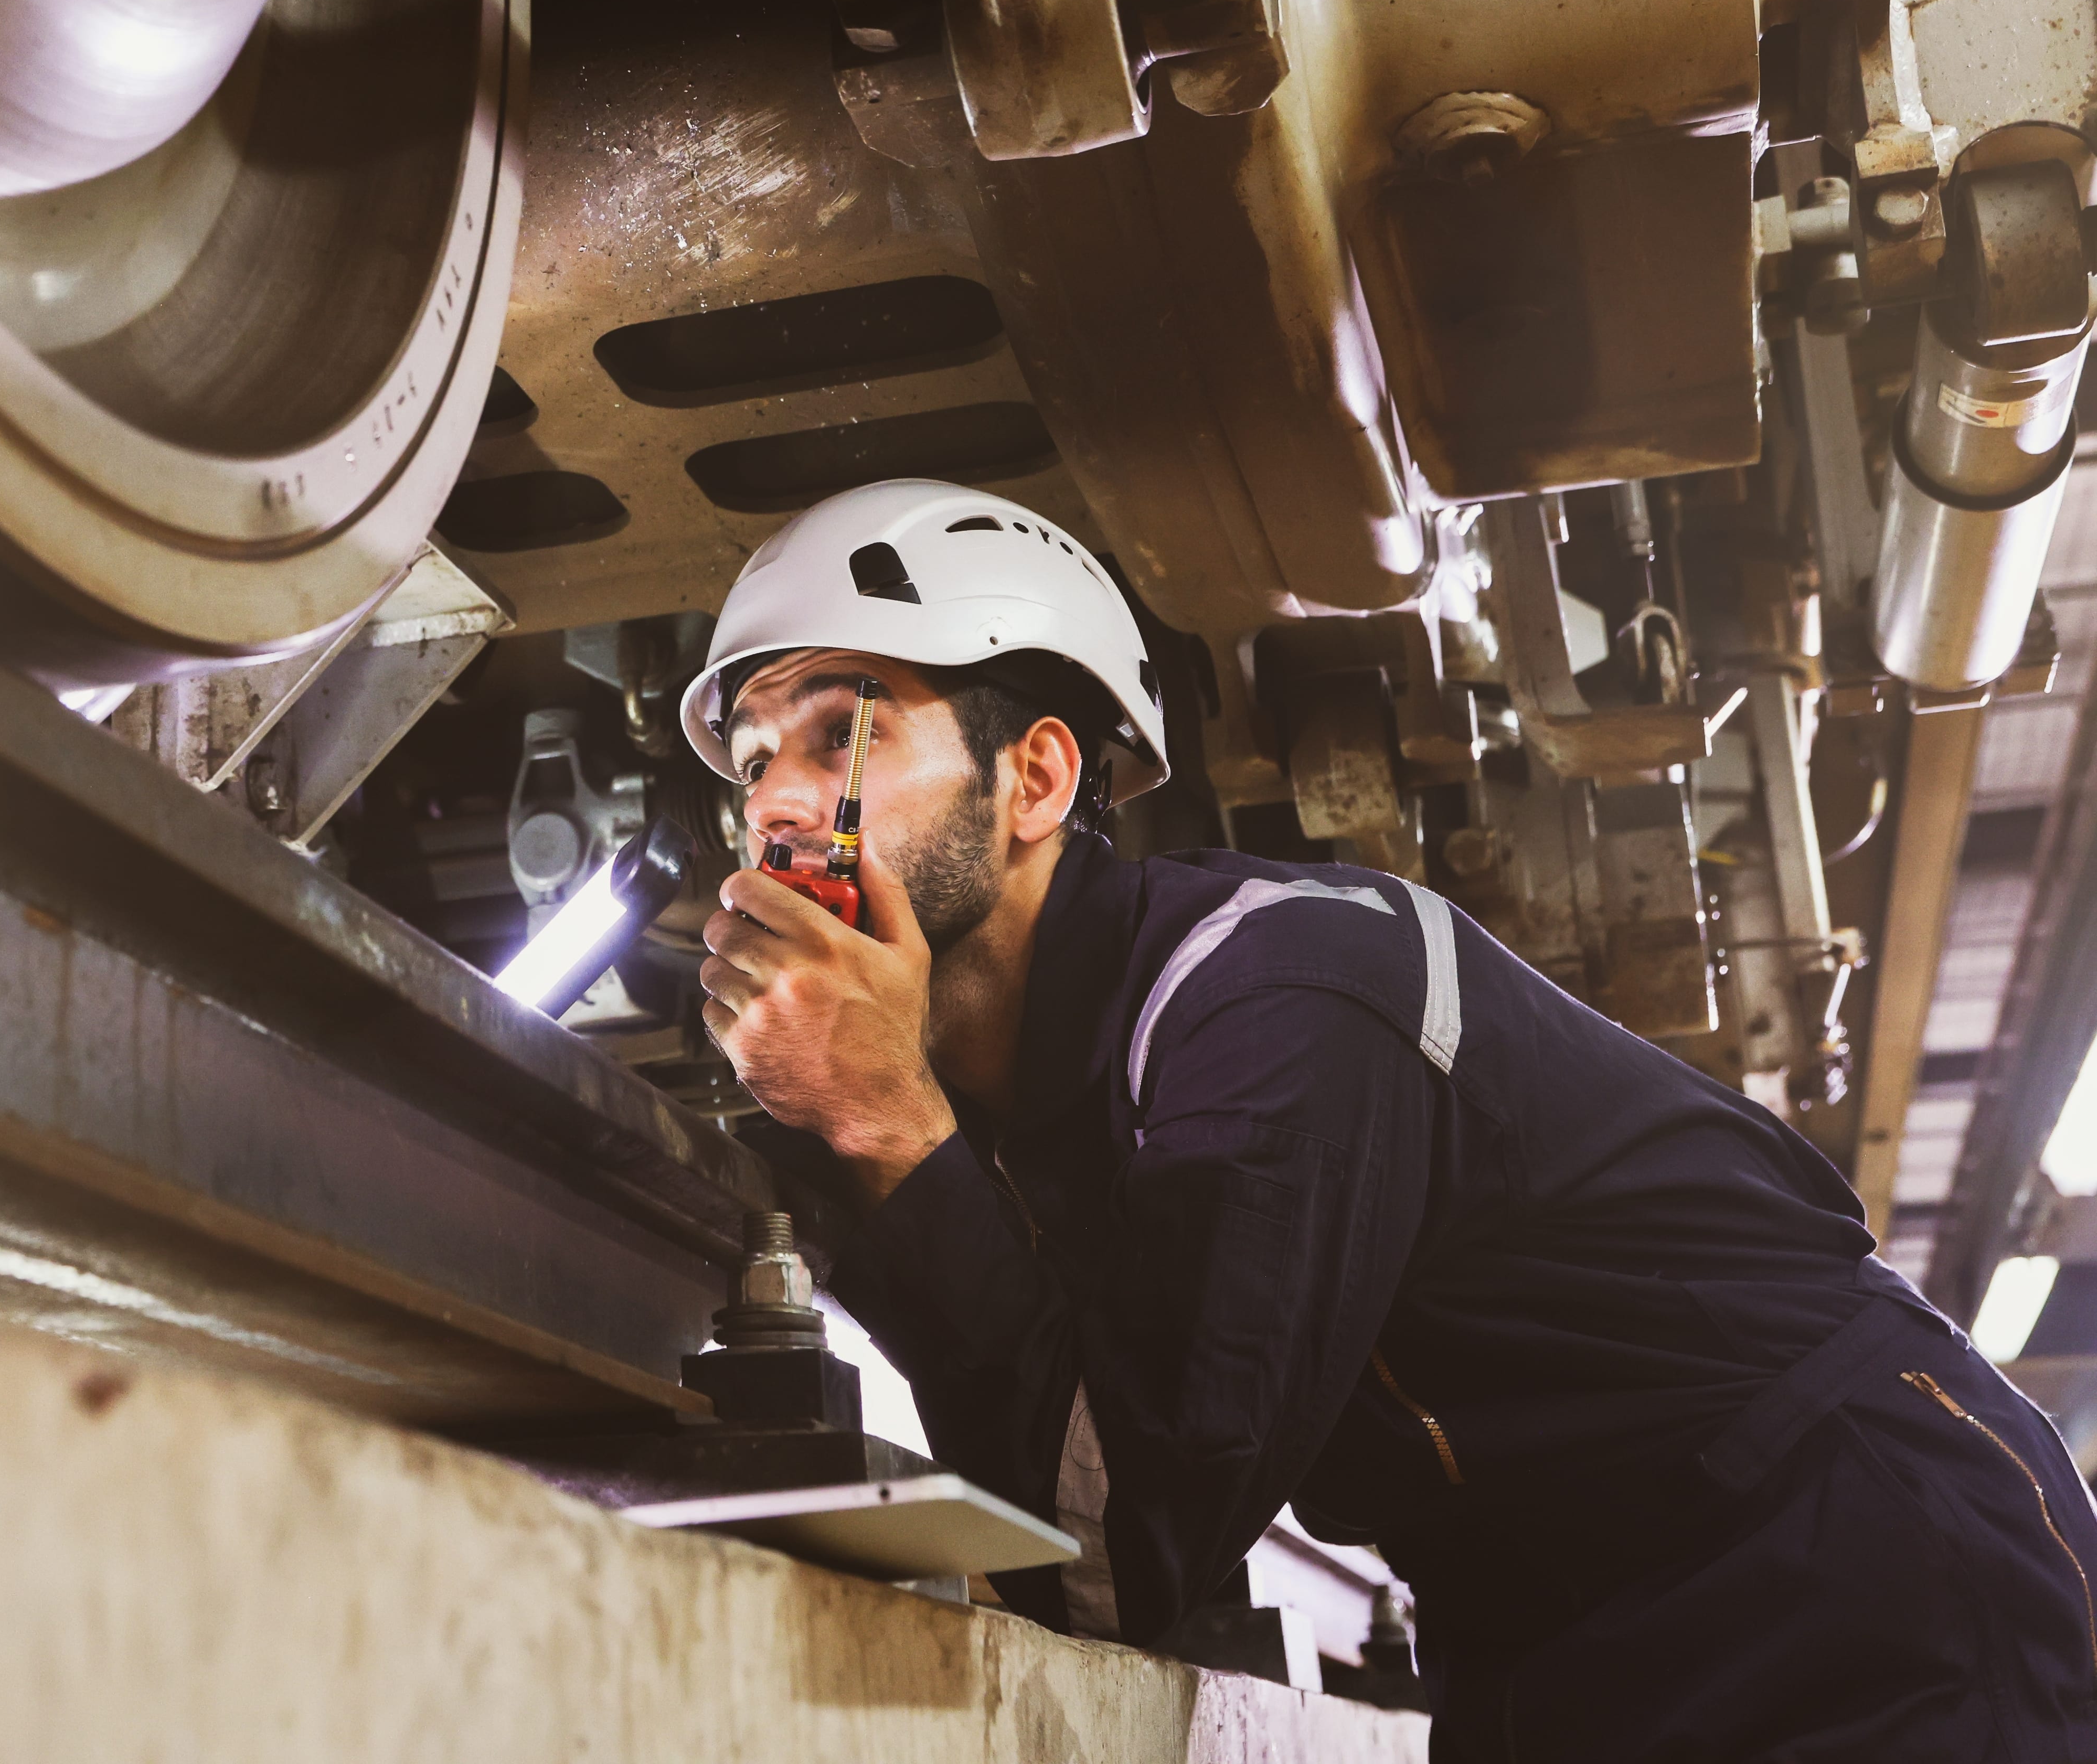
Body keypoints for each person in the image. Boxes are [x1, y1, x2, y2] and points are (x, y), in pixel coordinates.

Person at [684, 477, 2097, 1761]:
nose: (784, 802)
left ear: (1039, 779)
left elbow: (1118, 1552)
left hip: (1849, 1554)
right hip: (1551, 1629)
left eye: (845, 728)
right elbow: (1067, 1511)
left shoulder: (1284, 988)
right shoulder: (1005, 1114)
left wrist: (882, 1123)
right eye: (751, 765)